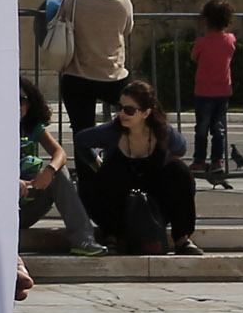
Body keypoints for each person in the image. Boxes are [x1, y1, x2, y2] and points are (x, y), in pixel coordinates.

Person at [73, 78, 200, 256]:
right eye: (120, 107)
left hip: (153, 193)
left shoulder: (163, 132)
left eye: (129, 110)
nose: (122, 114)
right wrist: (96, 165)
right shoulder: (111, 132)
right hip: (120, 194)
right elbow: (81, 141)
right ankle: (111, 235)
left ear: (146, 113)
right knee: (107, 173)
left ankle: (182, 238)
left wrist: (167, 167)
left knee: (179, 171)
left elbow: (180, 148)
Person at [19, 77, 99, 254]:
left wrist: (49, 171)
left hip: (26, 206)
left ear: (30, 104)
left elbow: (60, 154)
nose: (18, 106)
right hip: (0, 207)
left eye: (22, 101)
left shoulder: (32, 127)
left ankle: (83, 239)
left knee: (59, 171)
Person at [57, 0, 131, 131]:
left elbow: (60, 24)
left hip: (78, 75)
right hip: (113, 75)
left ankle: (89, 159)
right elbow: (127, 30)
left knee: (81, 133)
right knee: (135, 115)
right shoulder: (123, 3)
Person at [188, 0, 238, 182]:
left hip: (203, 90)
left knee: (201, 128)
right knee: (219, 129)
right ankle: (218, 160)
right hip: (223, 90)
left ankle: (199, 160)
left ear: (206, 20)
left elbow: (194, 57)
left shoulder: (201, 42)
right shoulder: (230, 40)